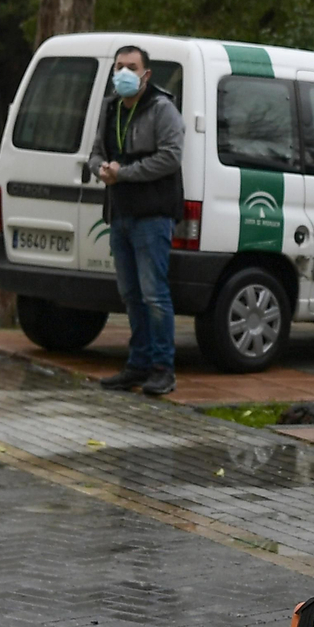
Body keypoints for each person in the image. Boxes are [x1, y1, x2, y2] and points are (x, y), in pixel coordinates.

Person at [89, 45, 185, 397]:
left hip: (153, 215)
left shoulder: (162, 108)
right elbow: (96, 151)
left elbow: (171, 157)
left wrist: (125, 173)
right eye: (119, 67)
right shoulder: (110, 107)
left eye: (132, 67)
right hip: (120, 214)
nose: (124, 73)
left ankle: (163, 369)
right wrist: (101, 169)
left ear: (146, 74)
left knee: (154, 294)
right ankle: (138, 364)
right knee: (130, 294)